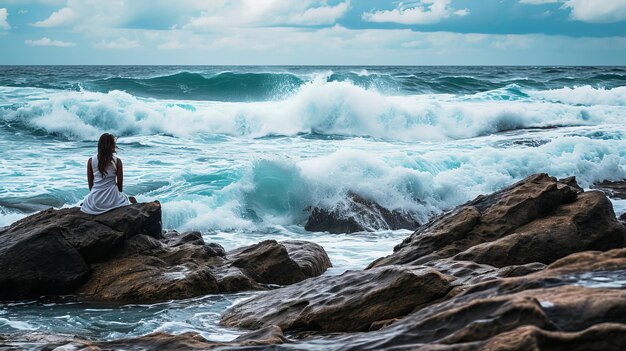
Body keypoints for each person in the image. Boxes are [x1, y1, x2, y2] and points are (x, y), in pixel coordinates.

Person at [80, 133, 137, 215]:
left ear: (99, 145)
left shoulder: (91, 161)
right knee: (126, 198)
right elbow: (120, 188)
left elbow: (91, 187)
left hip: (96, 202)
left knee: (86, 201)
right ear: (112, 146)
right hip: (113, 200)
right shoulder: (117, 162)